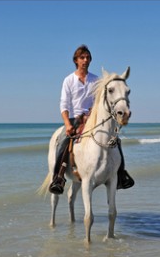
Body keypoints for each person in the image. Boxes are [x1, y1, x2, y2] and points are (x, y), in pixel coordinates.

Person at [49, 44, 134, 195]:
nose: (85, 60)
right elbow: (63, 104)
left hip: (92, 118)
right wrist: (67, 123)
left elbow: (101, 101)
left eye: (88, 57)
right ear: (76, 60)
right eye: (82, 57)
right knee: (63, 139)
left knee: (115, 140)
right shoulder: (68, 80)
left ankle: (121, 174)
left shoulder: (95, 80)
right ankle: (58, 177)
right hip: (75, 118)